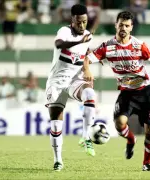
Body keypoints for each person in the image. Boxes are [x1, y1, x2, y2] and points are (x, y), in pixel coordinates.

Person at [83, 11, 150, 171]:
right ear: (116, 25)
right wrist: (87, 70)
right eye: (121, 24)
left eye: (127, 25)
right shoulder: (107, 47)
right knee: (120, 123)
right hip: (127, 93)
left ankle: (147, 163)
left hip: (146, 91)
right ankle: (130, 140)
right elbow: (88, 58)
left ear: (131, 28)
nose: (123, 28)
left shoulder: (139, 45)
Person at [45, 4, 96, 171]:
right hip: (57, 82)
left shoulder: (88, 35)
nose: (82, 26)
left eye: (85, 22)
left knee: (89, 93)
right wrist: (79, 41)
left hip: (74, 81)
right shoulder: (64, 31)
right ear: (72, 20)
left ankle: (85, 136)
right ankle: (58, 160)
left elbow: (85, 53)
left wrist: (90, 63)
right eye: (78, 22)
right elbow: (59, 44)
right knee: (55, 125)